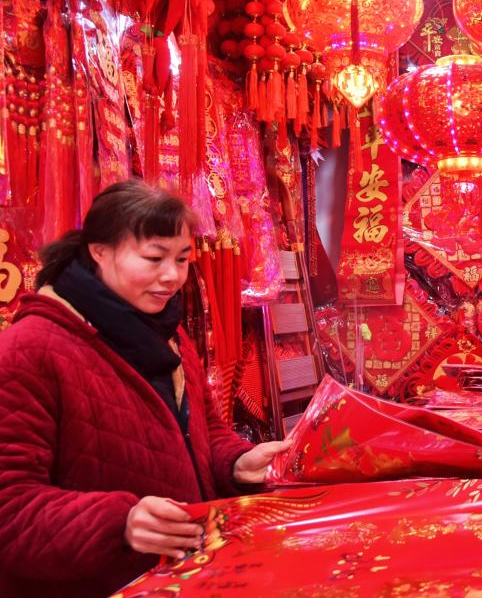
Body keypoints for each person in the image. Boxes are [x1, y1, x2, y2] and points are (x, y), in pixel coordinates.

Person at [0, 181, 291, 598]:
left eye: (182, 259)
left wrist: (237, 462)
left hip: (183, 576)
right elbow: (11, 507)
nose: (172, 276)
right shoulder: (28, 350)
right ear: (99, 252)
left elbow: (204, 431)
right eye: (154, 258)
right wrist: (118, 523)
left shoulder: (168, 334)